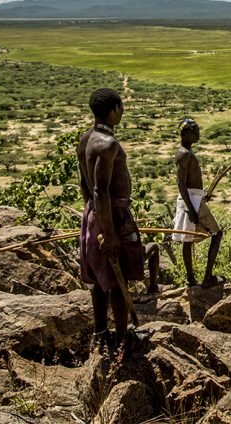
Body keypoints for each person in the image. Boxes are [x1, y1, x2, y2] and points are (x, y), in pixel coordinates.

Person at [77, 88, 145, 349]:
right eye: (121, 106)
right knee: (118, 279)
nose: (123, 111)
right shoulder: (108, 144)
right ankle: (122, 339)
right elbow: (100, 189)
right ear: (113, 109)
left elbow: (85, 185)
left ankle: (100, 332)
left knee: (100, 278)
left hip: (94, 213)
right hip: (111, 215)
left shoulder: (85, 140)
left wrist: (92, 216)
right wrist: (110, 232)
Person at [171, 119, 224, 288]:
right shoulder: (184, 153)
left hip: (193, 198)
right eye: (194, 131)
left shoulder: (186, 152)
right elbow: (181, 183)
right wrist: (192, 209)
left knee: (188, 240)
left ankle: (191, 279)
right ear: (185, 134)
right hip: (190, 200)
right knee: (216, 233)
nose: (198, 133)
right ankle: (206, 277)